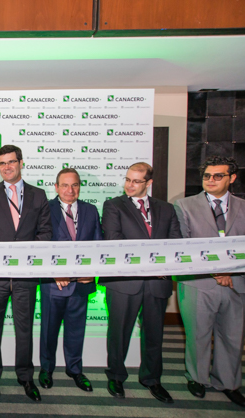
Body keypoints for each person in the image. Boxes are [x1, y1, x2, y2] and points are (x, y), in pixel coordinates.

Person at [174, 156, 245, 408]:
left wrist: (230, 271)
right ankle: (197, 378)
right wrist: (217, 271)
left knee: (233, 337)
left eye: (218, 175)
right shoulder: (183, 206)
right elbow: (184, 246)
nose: (211, 180)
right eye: (207, 176)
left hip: (239, 284)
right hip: (198, 283)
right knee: (198, 336)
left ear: (232, 178)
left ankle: (228, 383)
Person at [0, 144, 52, 402]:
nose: (6, 167)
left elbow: (45, 232)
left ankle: (26, 377)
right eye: (2, 163)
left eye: (11, 162)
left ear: (21, 163)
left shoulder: (38, 195)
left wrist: (26, 254)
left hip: (26, 275)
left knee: (25, 329)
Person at [100, 162, 181, 403]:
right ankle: (116, 376)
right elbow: (114, 240)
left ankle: (152, 379)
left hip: (157, 282)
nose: (129, 185)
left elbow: (175, 242)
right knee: (119, 333)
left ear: (149, 183)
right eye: (127, 179)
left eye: (136, 181)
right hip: (125, 281)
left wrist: (159, 264)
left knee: (154, 335)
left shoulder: (166, 209)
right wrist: (153, 259)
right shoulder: (114, 206)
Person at [39, 168, 101, 393]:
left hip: (81, 284)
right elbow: (39, 246)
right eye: (64, 185)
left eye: (74, 185)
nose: (70, 190)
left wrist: (92, 272)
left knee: (76, 331)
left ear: (79, 187)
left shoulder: (91, 210)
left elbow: (98, 245)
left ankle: (75, 369)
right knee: (49, 331)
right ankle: (46, 369)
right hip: (54, 284)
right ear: (56, 187)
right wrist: (53, 272)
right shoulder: (44, 209)